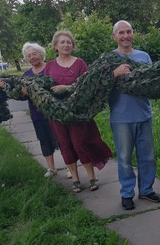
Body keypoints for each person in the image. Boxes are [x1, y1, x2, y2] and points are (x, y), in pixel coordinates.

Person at [44, 30, 112, 193]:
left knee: (80, 143)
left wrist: (66, 88)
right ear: (55, 46)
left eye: (69, 42)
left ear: (73, 46)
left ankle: (91, 177)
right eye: (62, 42)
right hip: (57, 115)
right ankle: (75, 179)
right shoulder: (50, 66)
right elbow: (44, 88)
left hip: (77, 114)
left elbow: (88, 86)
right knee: (65, 145)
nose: (66, 45)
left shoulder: (80, 63)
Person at [109, 20, 160, 210]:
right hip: (121, 118)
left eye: (129, 31)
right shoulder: (108, 59)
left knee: (147, 157)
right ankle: (126, 194)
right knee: (124, 158)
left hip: (143, 115)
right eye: (121, 32)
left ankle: (147, 190)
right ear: (114, 37)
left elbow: (153, 82)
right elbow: (97, 87)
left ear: (133, 33)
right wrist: (113, 74)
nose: (126, 36)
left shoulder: (144, 56)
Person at [3, 43, 70, 178]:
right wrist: (23, 93)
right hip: (37, 113)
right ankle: (51, 168)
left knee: (61, 139)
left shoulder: (52, 67)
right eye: (29, 55)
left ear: (41, 54)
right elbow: (21, 97)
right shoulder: (26, 74)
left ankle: (70, 166)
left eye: (34, 54)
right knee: (44, 139)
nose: (32, 57)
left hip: (54, 111)